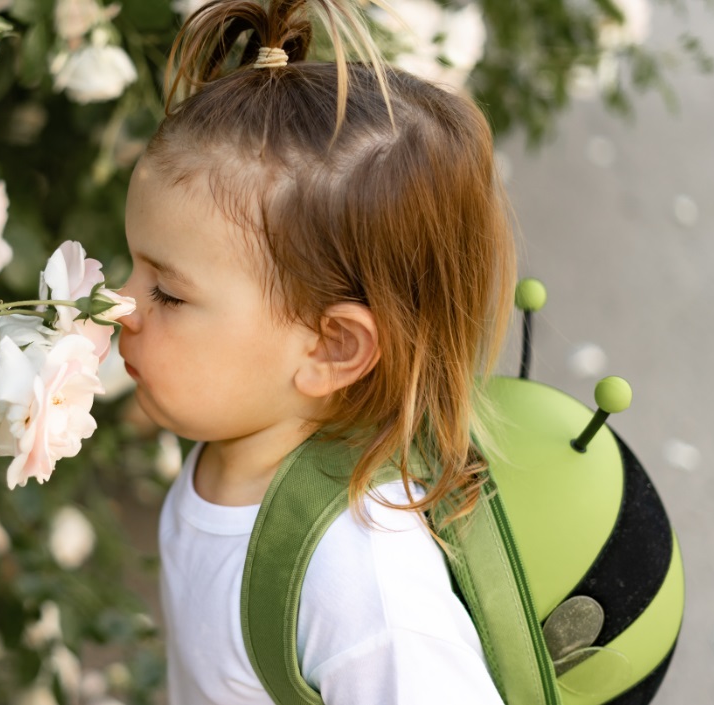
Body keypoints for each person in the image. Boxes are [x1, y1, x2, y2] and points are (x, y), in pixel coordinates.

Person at [114, 0, 514, 703]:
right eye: (133, 268)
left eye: (166, 293)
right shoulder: (240, 440)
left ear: (331, 348)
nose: (118, 303)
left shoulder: (363, 586)